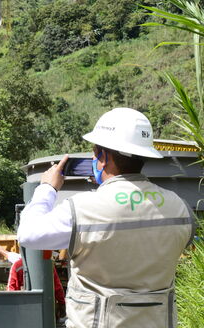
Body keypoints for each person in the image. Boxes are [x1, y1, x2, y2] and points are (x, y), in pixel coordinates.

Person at [17, 107, 196, 328]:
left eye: (95, 152)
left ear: (103, 157)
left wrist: (47, 189)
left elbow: (28, 234)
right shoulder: (179, 207)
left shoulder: (82, 209)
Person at [0, 234, 66, 319]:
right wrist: (62, 304)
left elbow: (11, 291)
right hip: (45, 309)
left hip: (25, 309)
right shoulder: (48, 265)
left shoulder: (17, 264)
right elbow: (57, 287)